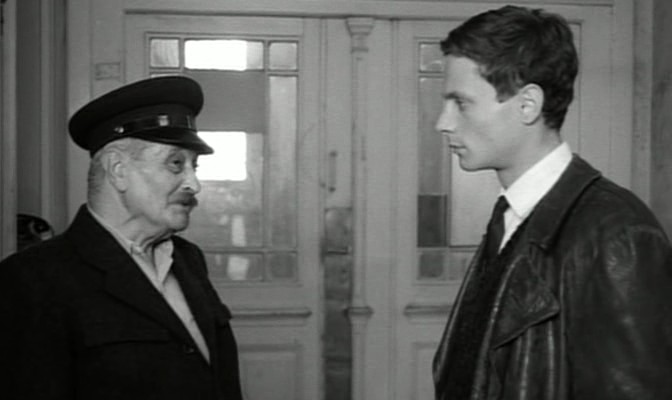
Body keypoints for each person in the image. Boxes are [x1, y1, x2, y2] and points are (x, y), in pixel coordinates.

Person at [432, 5, 672, 400]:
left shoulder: (617, 236)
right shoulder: (512, 216)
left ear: (528, 104)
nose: (443, 122)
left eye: (461, 102)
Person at [0, 76, 243, 400]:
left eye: (194, 167)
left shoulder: (188, 259)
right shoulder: (32, 279)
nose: (194, 184)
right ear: (118, 170)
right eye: (176, 164)